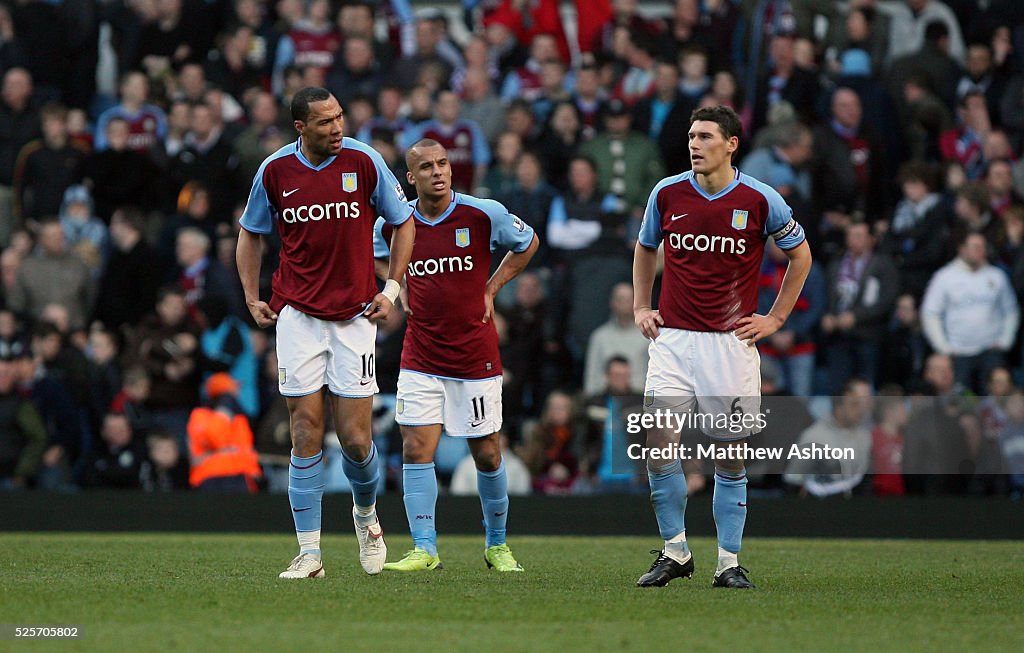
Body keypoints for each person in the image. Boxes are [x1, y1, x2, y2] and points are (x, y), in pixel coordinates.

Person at [236, 86, 414, 579]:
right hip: (296, 315)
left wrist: (392, 289)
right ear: (301, 127)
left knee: (355, 439)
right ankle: (309, 551)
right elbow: (250, 232)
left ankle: (365, 516)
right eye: (325, 121)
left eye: (340, 117)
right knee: (303, 431)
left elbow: (404, 223)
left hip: (355, 317)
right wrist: (253, 297)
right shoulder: (274, 171)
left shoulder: (365, 162)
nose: (338, 127)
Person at [632, 105, 811, 588]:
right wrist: (639, 306)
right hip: (672, 341)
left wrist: (775, 317)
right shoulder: (666, 193)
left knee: (729, 456)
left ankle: (727, 563)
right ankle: (675, 550)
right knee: (658, 446)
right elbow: (646, 246)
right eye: (691, 136)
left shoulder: (759, 198)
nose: (694, 144)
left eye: (705, 136)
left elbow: (801, 255)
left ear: (731, 143)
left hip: (729, 346)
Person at [372, 138, 538, 572]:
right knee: (415, 448)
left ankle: (497, 545)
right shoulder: (395, 222)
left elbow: (528, 243)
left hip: (474, 354)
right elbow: (374, 254)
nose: (438, 172)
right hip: (421, 353)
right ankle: (425, 548)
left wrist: (493, 287)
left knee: (486, 452)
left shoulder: (484, 213)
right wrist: (398, 285)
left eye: (443, 163)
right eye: (426, 167)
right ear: (411, 178)